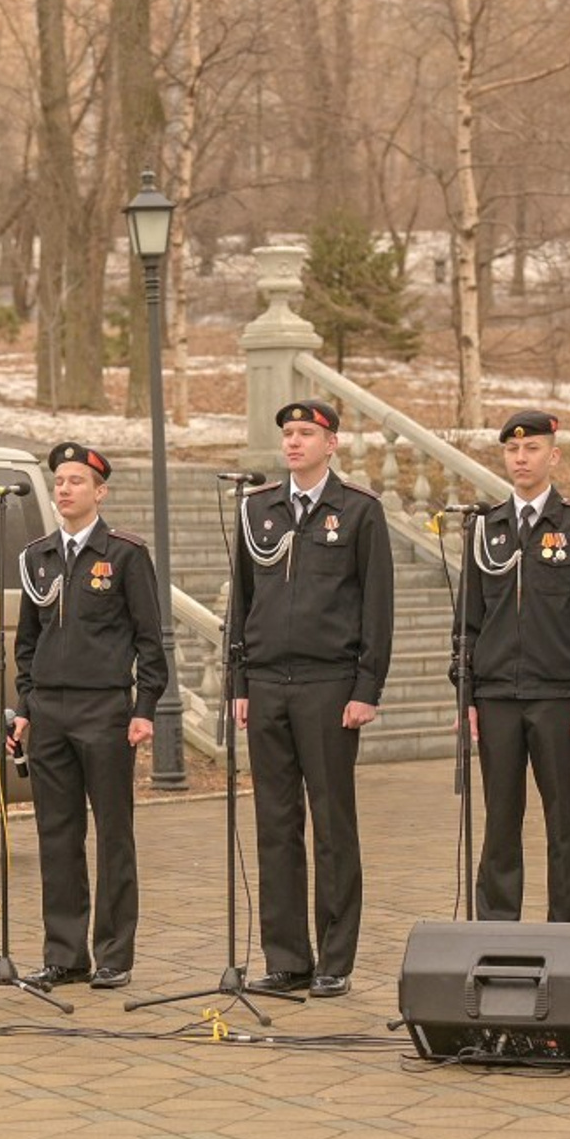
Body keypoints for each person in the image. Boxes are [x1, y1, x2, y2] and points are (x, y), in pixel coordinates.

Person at [231, 400, 394, 997]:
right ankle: (286, 958)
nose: (294, 442)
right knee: (275, 825)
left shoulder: (357, 512)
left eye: (307, 433)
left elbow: (377, 605)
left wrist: (366, 686)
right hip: (269, 684)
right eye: (288, 434)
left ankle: (334, 959)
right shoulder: (258, 511)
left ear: (332, 444)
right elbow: (240, 607)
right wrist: (239, 685)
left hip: (329, 687)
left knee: (331, 824)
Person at [13, 442, 167, 991]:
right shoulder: (37, 556)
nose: (64, 488)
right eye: (59, 480)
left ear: (99, 492)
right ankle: (64, 953)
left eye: (76, 480)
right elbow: (25, 642)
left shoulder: (124, 553)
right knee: (56, 836)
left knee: (113, 835)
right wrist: (26, 704)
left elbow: (151, 640)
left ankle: (114, 954)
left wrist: (145, 708)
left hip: (104, 709)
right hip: (49, 711)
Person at [461, 408, 570, 924]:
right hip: (497, 698)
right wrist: (466, 697)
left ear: (554, 455)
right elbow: (467, 621)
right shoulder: (486, 528)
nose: (521, 458)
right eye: (512, 449)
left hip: (559, 699)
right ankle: (496, 931)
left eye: (531, 449)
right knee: (500, 824)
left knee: (564, 824)